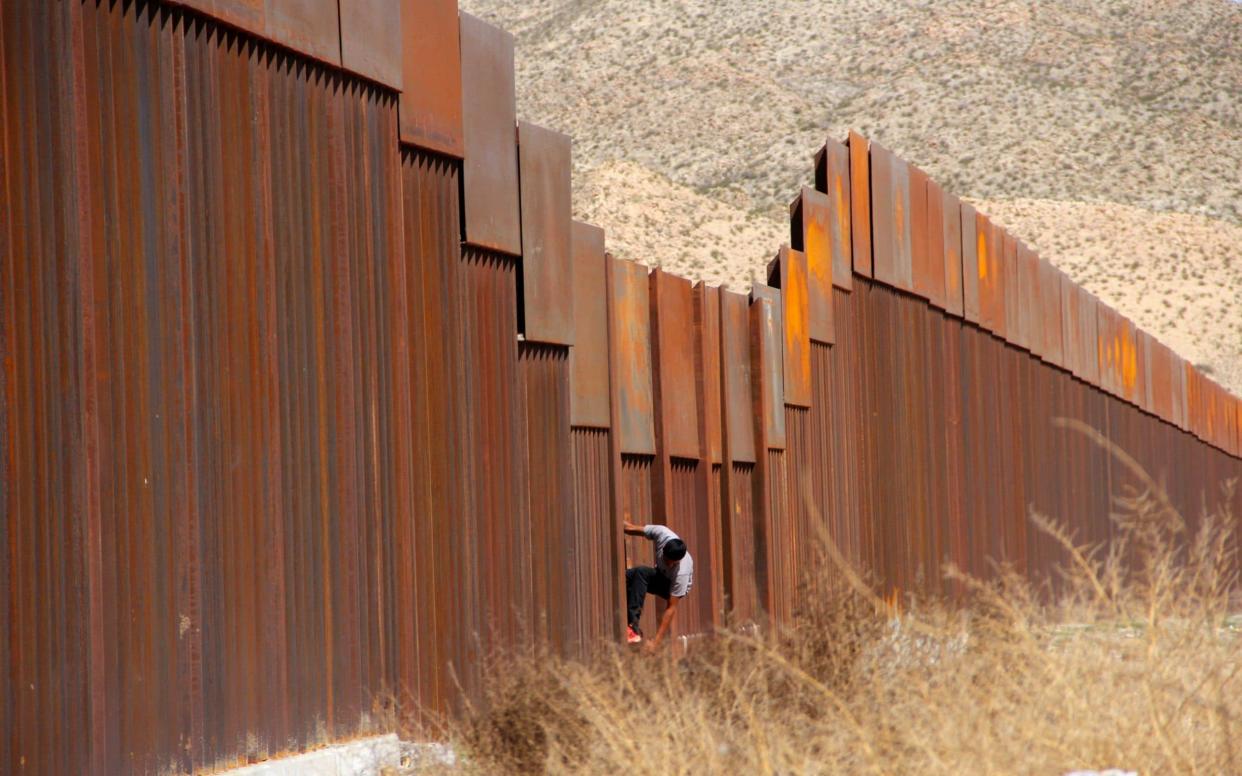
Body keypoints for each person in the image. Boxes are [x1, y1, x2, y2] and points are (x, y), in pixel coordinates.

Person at [622, 520, 693, 650]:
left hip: (670, 587)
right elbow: (631, 528)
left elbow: (671, 608)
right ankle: (625, 619)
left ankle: (633, 627)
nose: (669, 564)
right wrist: (619, 524)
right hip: (659, 574)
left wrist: (656, 642)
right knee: (627, 577)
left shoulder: (681, 573)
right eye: (666, 560)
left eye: (672, 563)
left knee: (642, 573)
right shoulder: (662, 534)